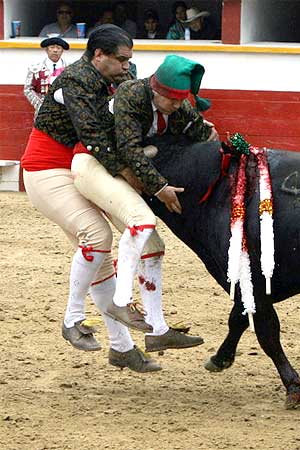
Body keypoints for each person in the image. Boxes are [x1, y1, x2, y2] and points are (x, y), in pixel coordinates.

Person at [21, 24, 160, 372]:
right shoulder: (75, 80)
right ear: (98, 55)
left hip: (78, 167)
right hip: (47, 169)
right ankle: (72, 318)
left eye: (129, 59)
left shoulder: (116, 78)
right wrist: (131, 173)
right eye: (121, 59)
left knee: (100, 260)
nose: (127, 65)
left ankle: (121, 348)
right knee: (97, 237)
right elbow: (94, 136)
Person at [71, 54, 215, 354]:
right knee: (143, 223)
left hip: (119, 174)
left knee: (152, 246)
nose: (177, 106)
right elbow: (128, 149)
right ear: (156, 89)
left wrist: (227, 140)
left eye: (181, 100)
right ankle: (120, 302)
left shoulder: (178, 106)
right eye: (173, 100)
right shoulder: (132, 93)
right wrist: (160, 187)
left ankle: (158, 330)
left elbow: (205, 133)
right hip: (93, 163)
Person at [24, 37, 70, 116]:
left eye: (58, 48)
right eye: (52, 47)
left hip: (64, 111)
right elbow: (28, 89)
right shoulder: (36, 68)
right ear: (46, 50)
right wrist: (40, 105)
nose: (55, 50)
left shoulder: (70, 69)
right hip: (42, 111)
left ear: (62, 51)